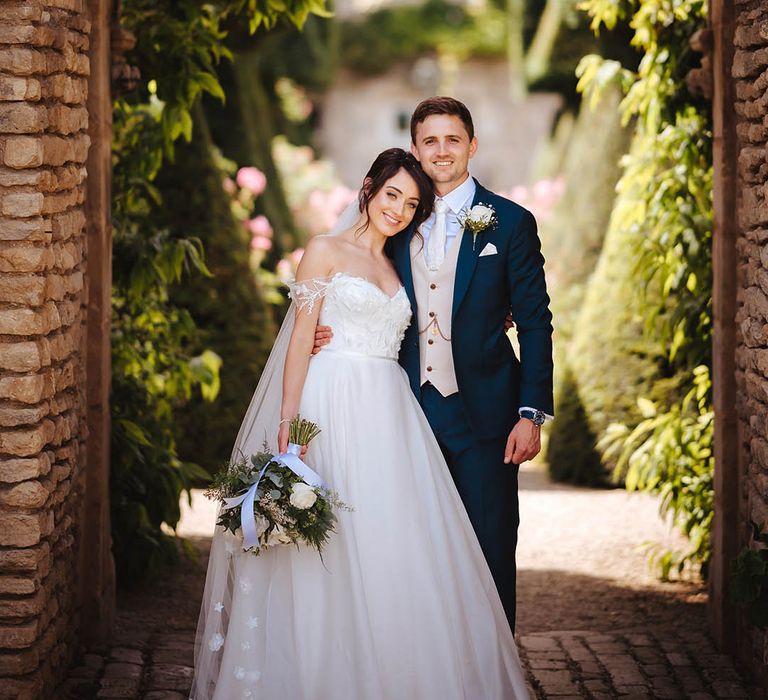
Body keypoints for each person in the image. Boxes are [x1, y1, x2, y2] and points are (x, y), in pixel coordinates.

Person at [190, 148, 529, 699]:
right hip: (330, 401)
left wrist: (500, 311)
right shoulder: (324, 251)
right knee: (326, 536)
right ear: (369, 187)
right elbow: (302, 337)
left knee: (394, 536)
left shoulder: (404, 262)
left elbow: (451, 309)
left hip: (390, 411)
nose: (398, 209)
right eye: (392, 194)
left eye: (412, 203)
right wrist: (289, 423)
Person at [314, 97, 555, 630]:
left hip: (487, 418)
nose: (441, 151)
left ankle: (492, 675)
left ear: (472, 145)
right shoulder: (396, 221)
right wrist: (322, 332)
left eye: (452, 140)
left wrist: (531, 412)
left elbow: (536, 322)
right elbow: (351, 279)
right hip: (401, 414)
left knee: (490, 547)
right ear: (416, 150)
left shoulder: (512, 223)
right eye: (429, 141)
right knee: (408, 555)